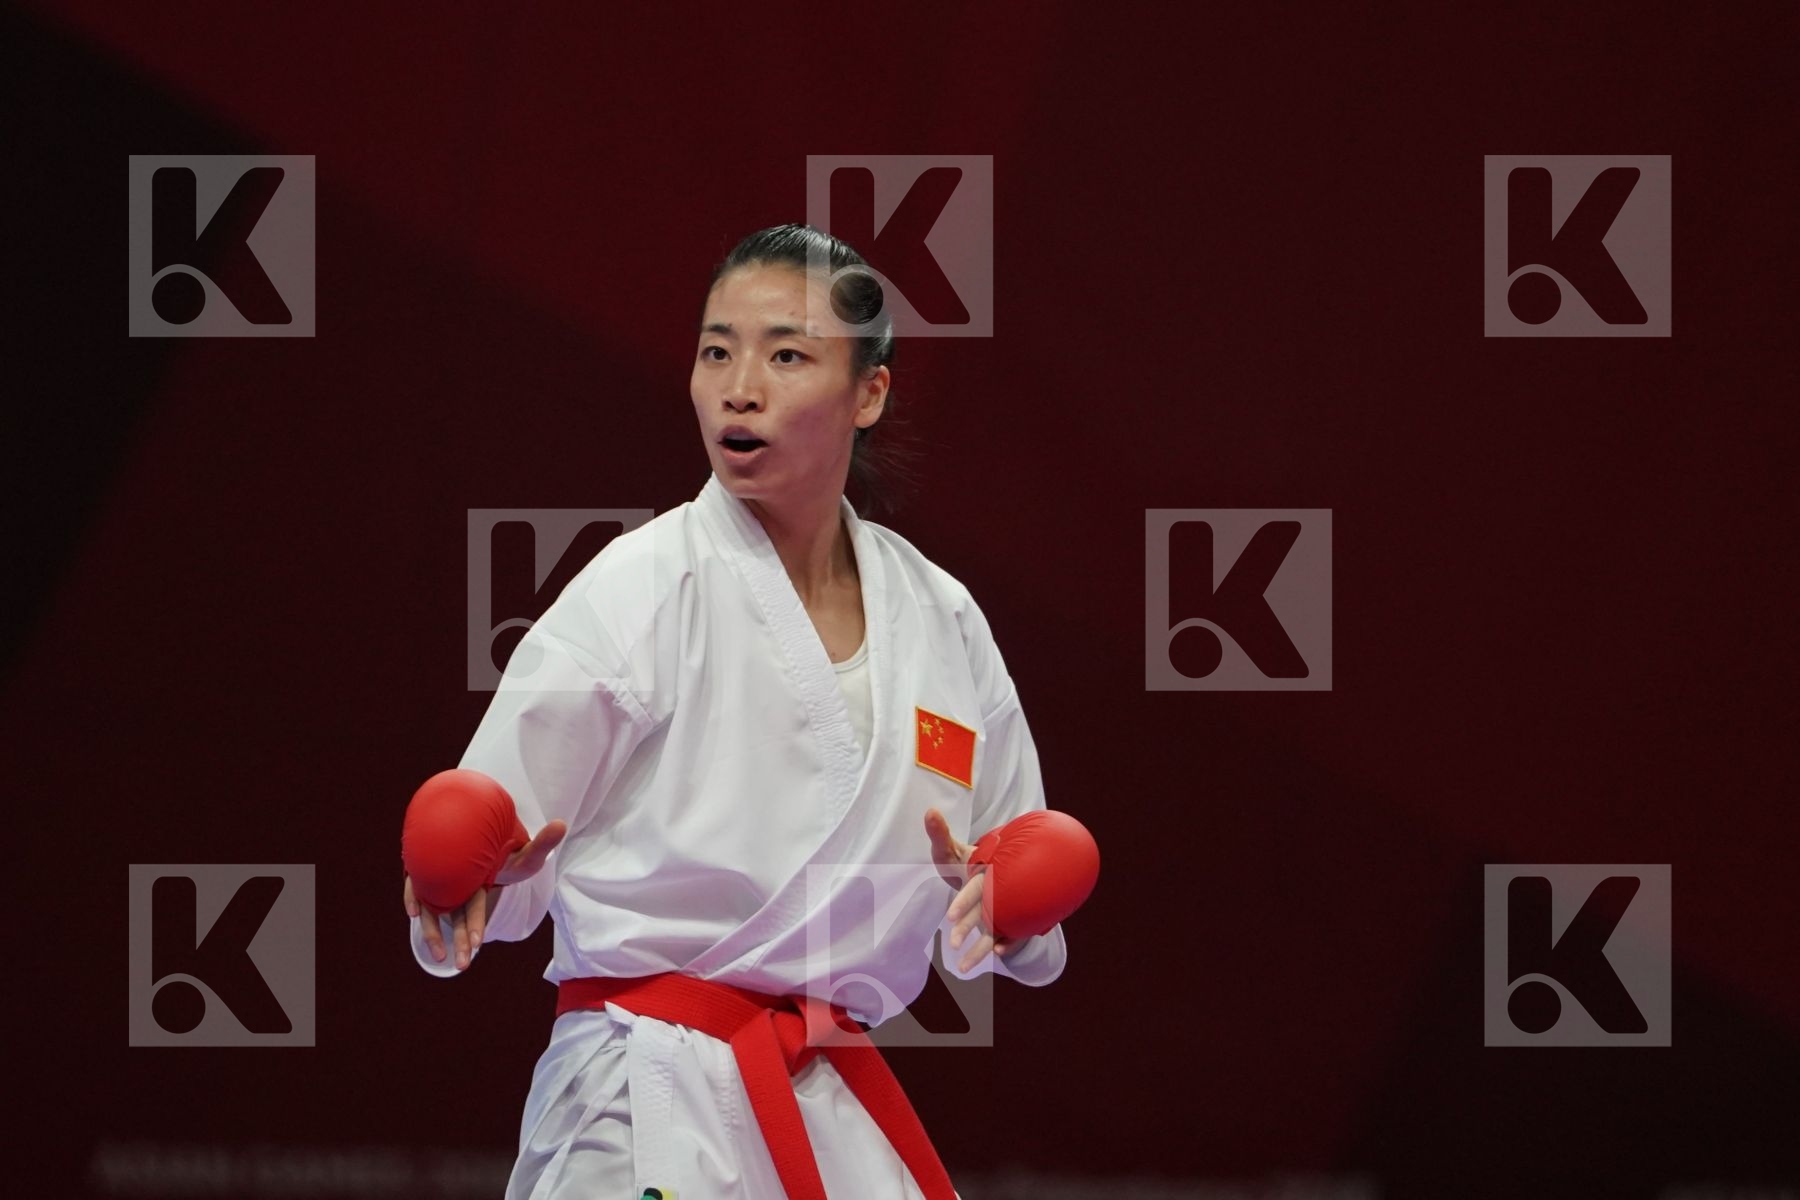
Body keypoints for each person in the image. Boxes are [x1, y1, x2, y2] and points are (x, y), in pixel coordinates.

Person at [401, 223, 1068, 1198]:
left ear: (869, 394)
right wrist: (469, 887)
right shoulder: (639, 586)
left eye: (786, 356)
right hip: (641, 1097)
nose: (739, 388)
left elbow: (1010, 881)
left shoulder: (942, 619)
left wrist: (1013, 916)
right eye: (717, 352)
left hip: (826, 1101)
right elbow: (490, 843)